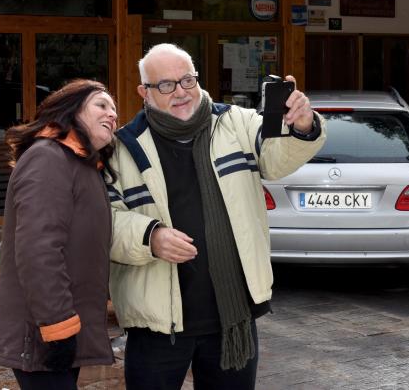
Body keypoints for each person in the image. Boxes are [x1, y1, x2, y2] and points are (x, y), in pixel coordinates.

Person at [108, 44, 326, 390]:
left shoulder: (236, 123)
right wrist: (150, 237)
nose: (180, 92)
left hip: (231, 317)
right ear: (143, 92)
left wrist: (302, 125)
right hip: (158, 323)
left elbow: (276, 159)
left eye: (187, 80)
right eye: (166, 85)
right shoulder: (123, 148)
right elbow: (105, 221)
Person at [0, 79, 118, 390]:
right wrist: (58, 328)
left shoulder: (81, 164)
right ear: (71, 111)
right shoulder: (48, 158)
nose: (113, 114)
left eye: (115, 109)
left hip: (58, 330)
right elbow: (39, 251)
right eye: (101, 105)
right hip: (41, 333)